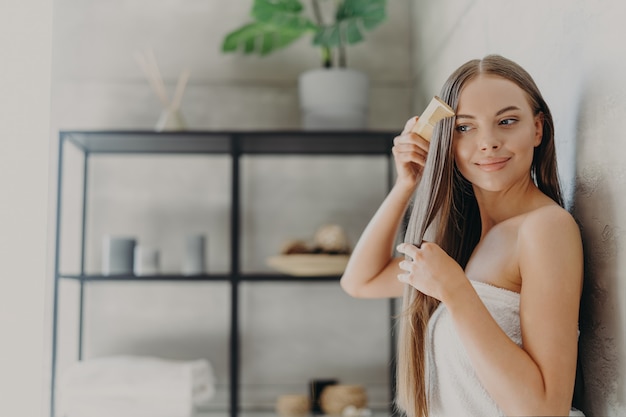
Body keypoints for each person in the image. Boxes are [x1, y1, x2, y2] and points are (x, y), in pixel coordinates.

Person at [340, 55, 584, 417]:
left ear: (537, 128)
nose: (488, 142)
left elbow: (545, 410)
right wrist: (405, 184)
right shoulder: (464, 241)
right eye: (465, 128)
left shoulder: (544, 229)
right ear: (445, 143)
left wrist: (456, 292)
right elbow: (360, 281)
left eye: (506, 121)